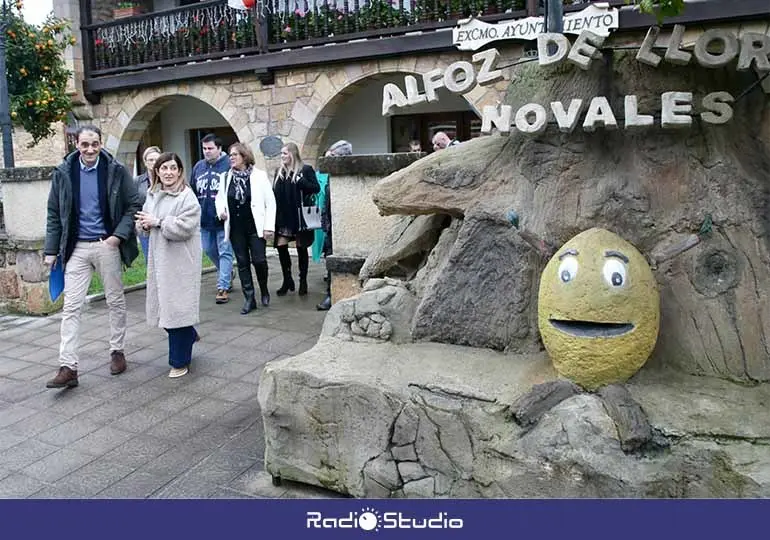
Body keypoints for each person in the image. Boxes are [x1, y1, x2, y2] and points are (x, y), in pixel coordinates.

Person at [43, 125, 141, 389]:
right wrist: (51, 250)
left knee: (115, 301)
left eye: (94, 144)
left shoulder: (115, 170)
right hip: (76, 248)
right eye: (85, 144)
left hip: (105, 244)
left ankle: (117, 351)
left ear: (100, 144)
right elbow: (54, 212)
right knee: (71, 307)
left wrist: (116, 237)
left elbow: (134, 205)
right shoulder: (63, 172)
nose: (89, 149)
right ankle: (68, 367)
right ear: (76, 144)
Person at [135, 152, 202, 379]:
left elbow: (185, 227)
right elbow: (144, 221)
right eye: (164, 169)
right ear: (157, 171)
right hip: (160, 261)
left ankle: (179, 361)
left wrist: (159, 222)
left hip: (180, 263)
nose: (169, 173)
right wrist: (143, 225)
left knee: (177, 312)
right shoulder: (153, 194)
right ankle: (190, 334)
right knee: (166, 310)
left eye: (173, 168)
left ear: (180, 171)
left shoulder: (187, 197)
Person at [215, 143, 276, 315]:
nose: (231, 157)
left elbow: (270, 203)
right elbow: (219, 199)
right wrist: (221, 212)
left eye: (235, 154)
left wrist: (268, 227)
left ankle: (264, 289)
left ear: (244, 156)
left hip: (255, 226)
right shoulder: (225, 177)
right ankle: (250, 298)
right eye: (230, 155)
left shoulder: (259, 176)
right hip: (236, 228)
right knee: (242, 263)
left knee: (259, 260)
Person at [190, 133, 233, 305]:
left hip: (223, 220)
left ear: (219, 148)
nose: (206, 152)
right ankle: (227, 273)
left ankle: (223, 287)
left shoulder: (228, 165)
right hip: (204, 219)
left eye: (210, 148)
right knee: (209, 249)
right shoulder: (199, 167)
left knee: (225, 252)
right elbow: (193, 190)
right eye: (204, 148)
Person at [272, 142, 320, 297]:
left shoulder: (305, 170)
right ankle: (287, 280)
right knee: (281, 246)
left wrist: (301, 181)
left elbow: (315, 188)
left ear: (292, 154)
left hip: (299, 217)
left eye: (285, 153)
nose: (282, 156)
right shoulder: (279, 172)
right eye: (281, 154)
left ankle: (303, 280)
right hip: (283, 216)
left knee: (301, 247)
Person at [316, 140, 352, 311]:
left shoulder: (348, 177)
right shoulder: (331, 176)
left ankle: (337, 294)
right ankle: (331, 294)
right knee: (330, 260)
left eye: (332, 156)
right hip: (331, 227)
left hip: (344, 226)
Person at [133, 145, 161, 261]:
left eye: (156, 160)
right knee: (150, 260)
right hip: (145, 227)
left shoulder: (166, 179)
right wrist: (137, 222)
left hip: (161, 224)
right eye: (150, 160)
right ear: (145, 162)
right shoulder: (137, 181)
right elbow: (133, 203)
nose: (154, 163)